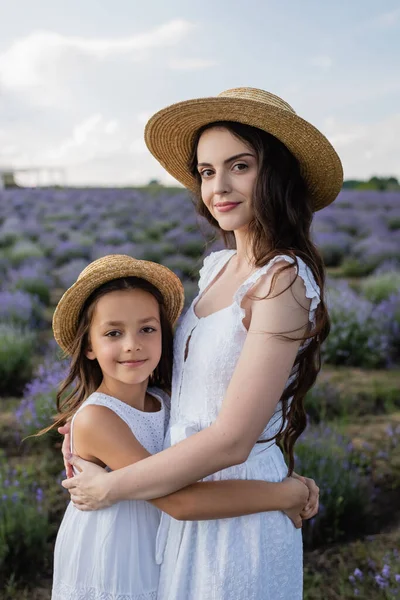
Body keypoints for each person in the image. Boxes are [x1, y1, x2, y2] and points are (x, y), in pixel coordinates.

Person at [61, 87, 342, 599]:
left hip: (240, 506)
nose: (219, 187)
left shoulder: (280, 281)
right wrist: (96, 424)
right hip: (180, 493)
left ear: (275, 172)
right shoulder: (217, 268)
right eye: (208, 171)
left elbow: (233, 438)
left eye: (240, 166)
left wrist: (113, 486)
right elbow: (189, 384)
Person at [48, 254, 310, 600]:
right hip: (115, 558)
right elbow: (178, 501)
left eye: (147, 328)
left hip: (157, 548)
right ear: (88, 347)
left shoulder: (165, 400)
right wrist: (284, 494)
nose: (132, 344)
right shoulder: (99, 418)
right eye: (113, 332)